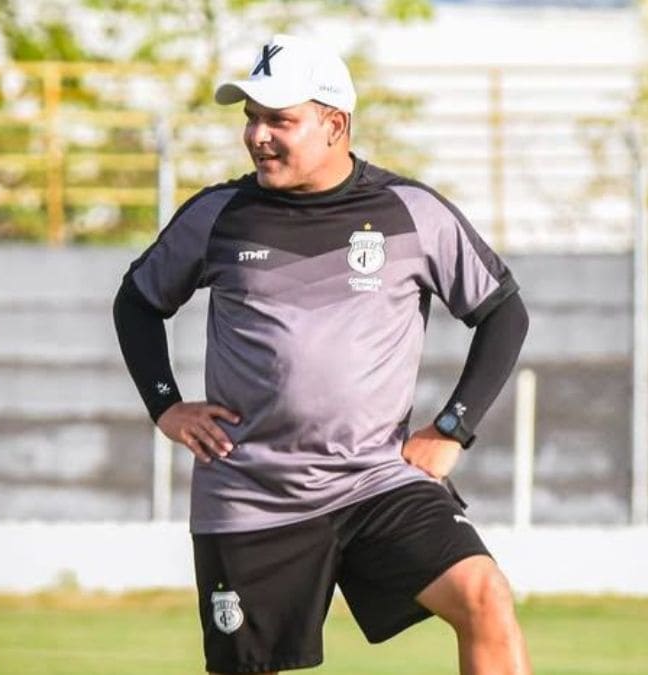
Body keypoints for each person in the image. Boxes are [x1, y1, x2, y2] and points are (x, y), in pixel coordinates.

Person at [113, 33, 531, 675]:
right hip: (251, 490)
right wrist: (166, 408)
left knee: (485, 597)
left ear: (335, 124)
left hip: (375, 479)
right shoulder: (218, 214)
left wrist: (454, 427)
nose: (257, 135)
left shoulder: (410, 212)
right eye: (250, 117)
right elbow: (138, 302)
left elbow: (502, 311)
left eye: (278, 119)